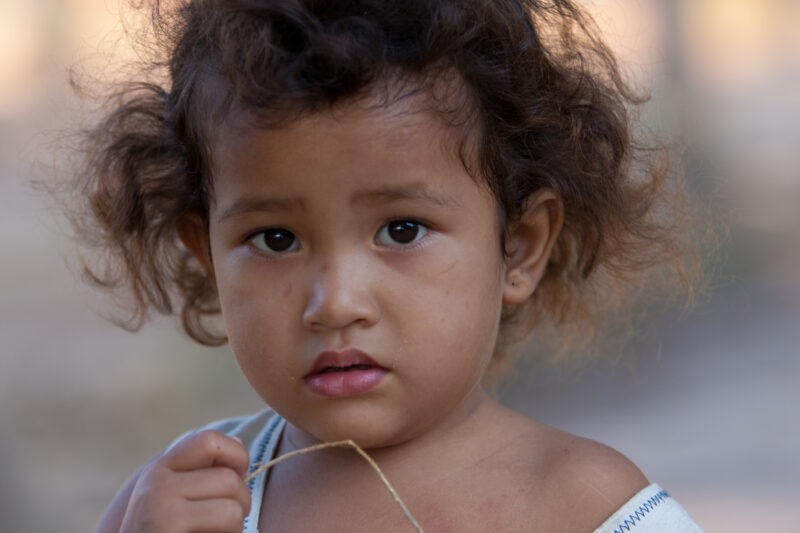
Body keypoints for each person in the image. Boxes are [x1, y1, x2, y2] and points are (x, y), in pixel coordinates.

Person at [71, 0, 705, 531]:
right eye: (275, 239)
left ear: (519, 245)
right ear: (206, 254)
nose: (337, 302)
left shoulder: (586, 505)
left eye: (401, 230)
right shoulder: (188, 497)